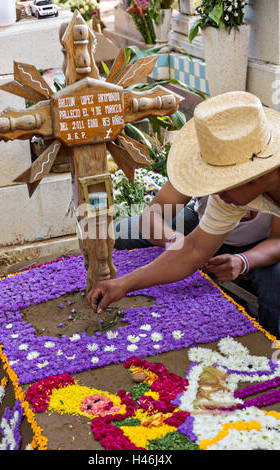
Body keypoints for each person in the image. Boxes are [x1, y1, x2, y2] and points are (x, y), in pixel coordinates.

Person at [87, 91, 280, 338]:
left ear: (259, 175)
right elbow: (193, 250)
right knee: (120, 233)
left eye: (221, 183)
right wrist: (124, 284)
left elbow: (276, 241)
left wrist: (244, 261)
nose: (214, 193)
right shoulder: (235, 192)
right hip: (205, 229)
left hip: (259, 247)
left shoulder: (240, 187)